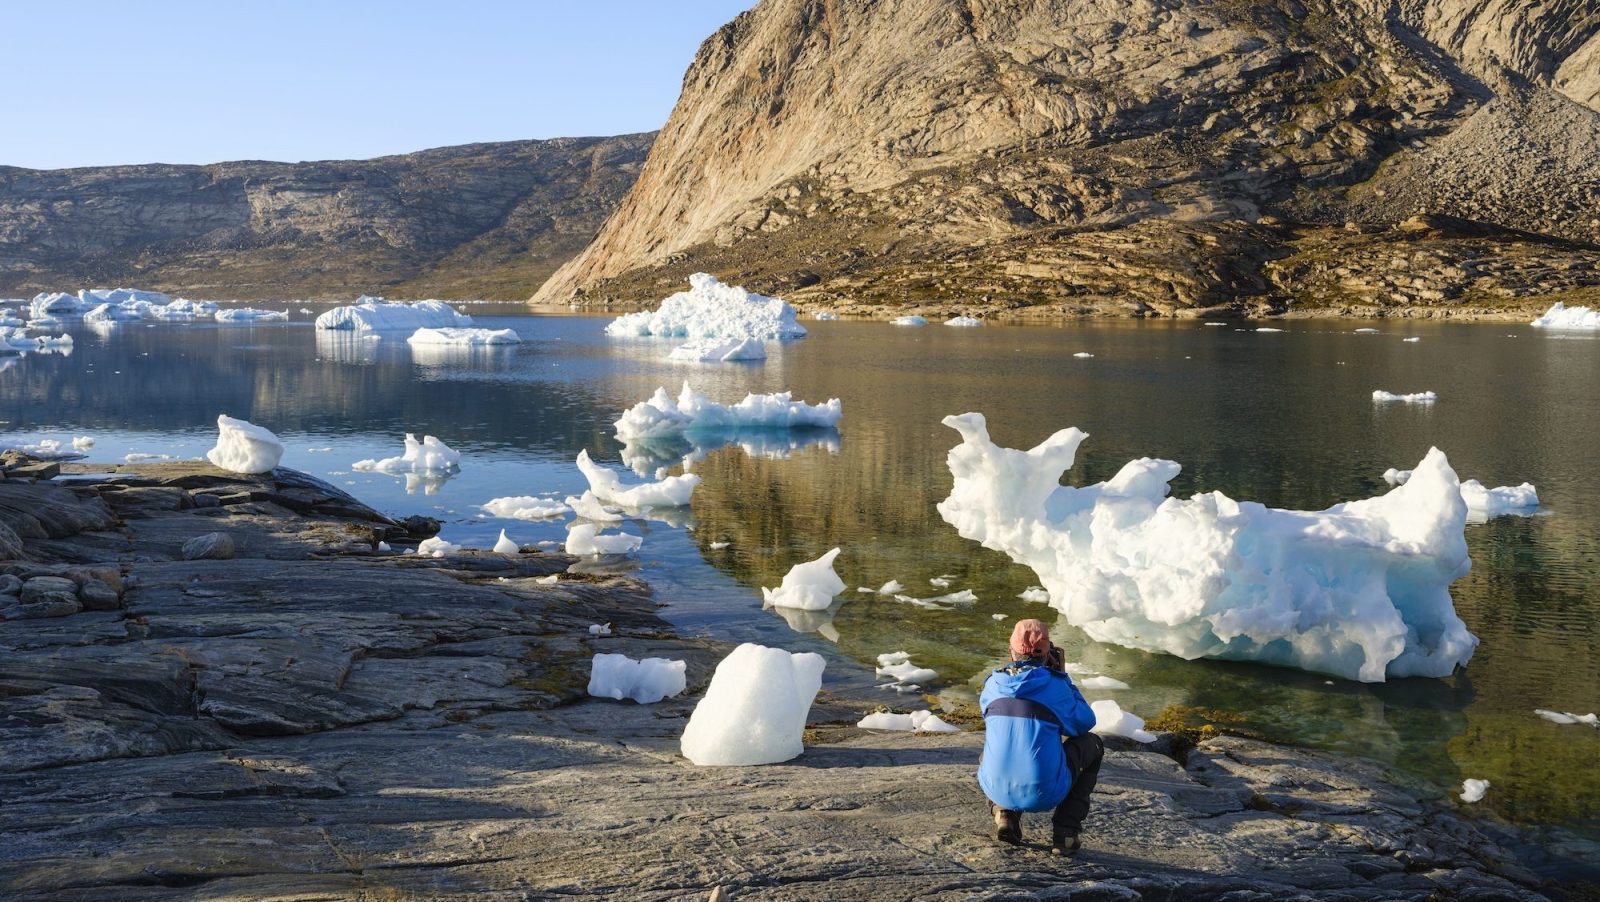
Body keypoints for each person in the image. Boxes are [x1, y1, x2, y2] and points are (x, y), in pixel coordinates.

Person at [978, 618, 1104, 854]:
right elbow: (1084, 723)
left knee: (1000, 742)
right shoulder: (1055, 685)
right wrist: (1064, 679)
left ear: (1011, 652)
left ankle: (1004, 814)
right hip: (1045, 793)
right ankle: (1066, 834)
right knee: (1092, 744)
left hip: (994, 787)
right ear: (1048, 654)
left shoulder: (992, 684)